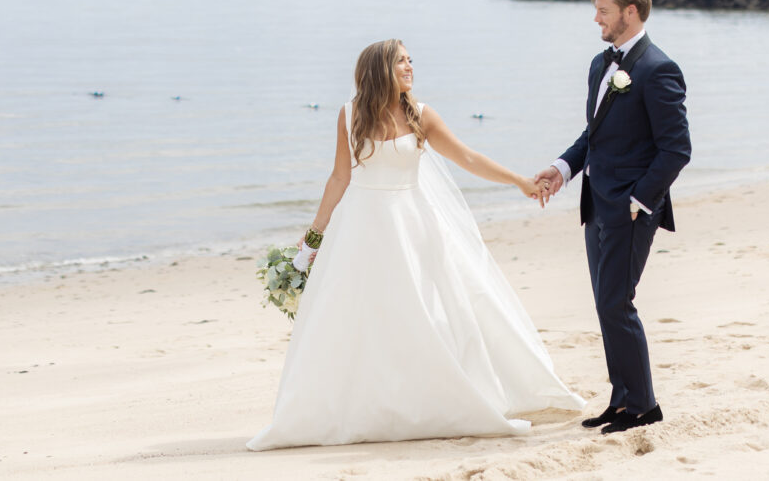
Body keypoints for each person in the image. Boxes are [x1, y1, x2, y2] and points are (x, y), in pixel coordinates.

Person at [247, 39, 584, 450]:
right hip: (361, 227)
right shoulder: (349, 114)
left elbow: (468, 158)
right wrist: (314, 237)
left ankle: (435, 399)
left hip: (412, 224)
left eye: (410, 60)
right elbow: (340, 177)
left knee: (430, 312)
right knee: (357, 316)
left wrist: (518, 181)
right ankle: (364, 405)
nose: (410, 67)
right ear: (380, 69)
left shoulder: (421, 115)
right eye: (401, 61)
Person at [534, 0, 691, 435]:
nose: (596, 17)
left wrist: (639, 202)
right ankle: (622, 401)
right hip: (595, 205)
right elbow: (594, 136)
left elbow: (676, 149)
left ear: (630, 12)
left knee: (616, 303)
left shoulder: (659, 69)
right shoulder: (600, 65)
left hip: (630, 210)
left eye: (603, 10)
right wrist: (561, 170)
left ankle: (644, 405)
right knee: (607, 307)